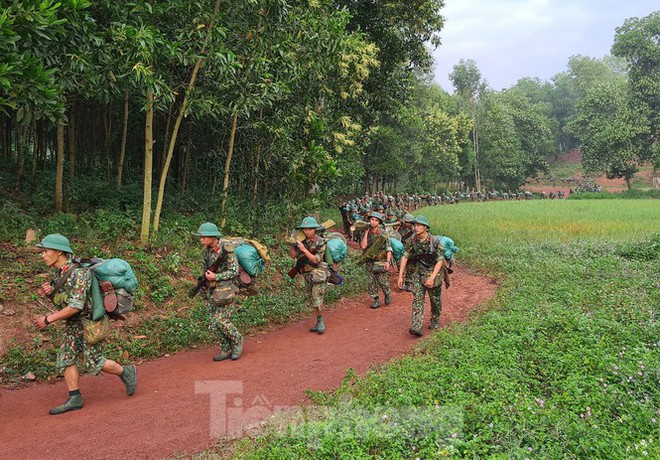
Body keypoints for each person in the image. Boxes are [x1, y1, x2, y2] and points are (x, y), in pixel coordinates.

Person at [31, 234, 137, 415]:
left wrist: (48, 319)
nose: (42, 255)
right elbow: (64, 301)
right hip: (73, 324)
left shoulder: (79, 273)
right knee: (66, 357)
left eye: (46, 251)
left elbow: (75, 306)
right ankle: (75, 397)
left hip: (89, 323)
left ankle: (126, 372)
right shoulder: (60, 273)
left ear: (58, 252)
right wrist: (50, 293)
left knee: (94, 361)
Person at [194, 222, 243, 361]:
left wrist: (217, 276)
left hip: (227, 289)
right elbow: (205, 271)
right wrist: (203, 284)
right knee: (214, 323)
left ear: (212, 236)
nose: (201, 239)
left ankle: (237, 340)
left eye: (204, 237)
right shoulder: (205, 252)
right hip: (213, 290)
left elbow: (234, 270)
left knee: (221, 320)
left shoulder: (226, 248)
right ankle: (226, 349)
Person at [397, 216, 445, 337]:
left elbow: (440, 261)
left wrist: (432, 278)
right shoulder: (412, 240)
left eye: (419, 225)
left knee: (435, 300)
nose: (416, 227)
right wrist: (400, 275)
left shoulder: (434, 241)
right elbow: (405, 256)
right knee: (418, 298)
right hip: (419, 273)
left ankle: (435, 319)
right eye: (415, 225)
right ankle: (416, 326)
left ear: (425, 227)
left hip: (434, 272)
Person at [289, 217, 330, 334]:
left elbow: (316, 260)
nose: (307, 232)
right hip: (307, 274)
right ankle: (318, 321)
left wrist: (304, 250)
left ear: (315, 229)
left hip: (318, 274)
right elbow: (293, 256)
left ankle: (321, 322)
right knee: (312, 299)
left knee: (316, 298)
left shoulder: (320, 241)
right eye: (305, 229)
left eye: (310, 229)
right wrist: (292, 244)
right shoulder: (301, 242)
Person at [360, 211, 392, 309]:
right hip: (370, 260)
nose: (373, 222)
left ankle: (387, 293)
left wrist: (388, 261)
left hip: (380, 260)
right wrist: (366, 233)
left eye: (376, 220)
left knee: (382, 281)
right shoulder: (366, 233)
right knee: (371, 281)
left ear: (379, 222)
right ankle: (376, 299)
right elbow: (363, 246)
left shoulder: (383, 234)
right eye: (372, 219)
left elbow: (388, 248)